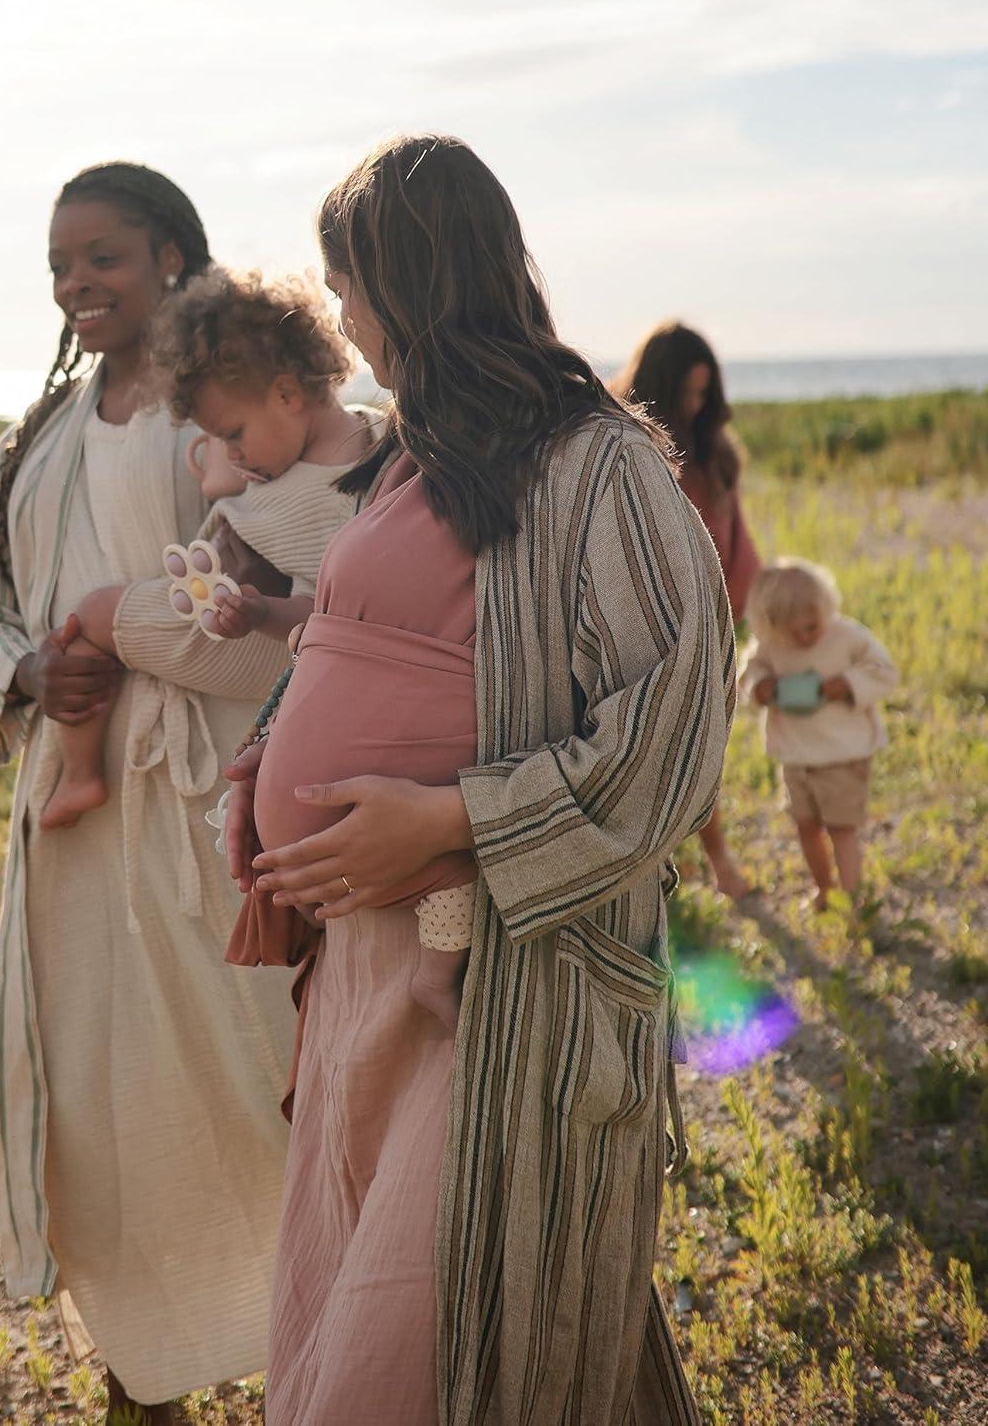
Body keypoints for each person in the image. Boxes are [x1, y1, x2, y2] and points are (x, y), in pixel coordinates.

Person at [224, 135, 734, 1425]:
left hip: (501, 986)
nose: (342, 326)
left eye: (349, 291)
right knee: (389, 1317)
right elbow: (378, 643)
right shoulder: (416, 451)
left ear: (410, 280)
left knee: (430, 1345)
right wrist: (273, 747)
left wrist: (452, 822)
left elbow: (672, 730)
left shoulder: (596, 461)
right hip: (370, 974)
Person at [0, 162, 297, 1424]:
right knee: (108, 1106)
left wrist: (130, 635)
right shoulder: (33, 438)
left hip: (221, 797)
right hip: (78, 821)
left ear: (170, 256)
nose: (76, 283)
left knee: (273, 1073)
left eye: (101, 255)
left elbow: (297, 581)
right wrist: (36, 669)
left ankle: (319, 1344)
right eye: (59, 265)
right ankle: (145, 1368)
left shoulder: (241, 413)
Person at [37, 266, 370, 828]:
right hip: (243, 613)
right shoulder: (354, 445)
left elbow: (335, 616)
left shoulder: (340, 489)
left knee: (91, 614)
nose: (229, 453)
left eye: (232, 434)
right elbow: (226, 490)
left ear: (287, 393)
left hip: (262, 642)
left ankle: (79, 775)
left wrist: (263, 611)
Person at [615, 321, 759, 901]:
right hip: (650, 629)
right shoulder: (631, 450)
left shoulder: (714, 455)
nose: (697, 405)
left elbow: (737, 538)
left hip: (712, 628)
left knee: (703, 750)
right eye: (687, 393)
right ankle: (671, 867)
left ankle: (716, 861)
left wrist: (748, 605)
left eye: (705, 393)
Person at [740, 558, 898, 911]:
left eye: (811, 627)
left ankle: (853, 898)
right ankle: (825, 890)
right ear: (771, 626)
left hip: (842, 754)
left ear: (826, 609)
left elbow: (884, 670)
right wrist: (761, 688)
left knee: (842, 829)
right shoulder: (770, 646)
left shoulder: (847, 637)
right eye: (793, 632)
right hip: (796, 755)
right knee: (805, 827)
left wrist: (848, 684)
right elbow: (750, 671)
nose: (804, 638)